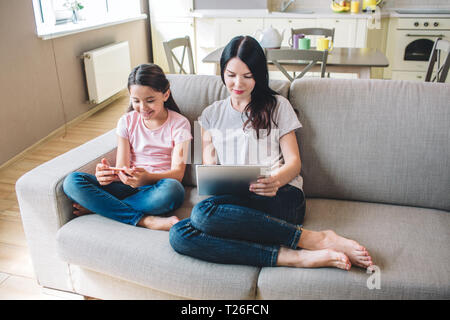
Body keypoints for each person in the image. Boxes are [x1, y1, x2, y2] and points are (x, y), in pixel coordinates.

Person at [169, 36, 373, 270]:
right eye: (231, 75)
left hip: (282, 196)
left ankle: (316, 239)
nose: (238, 84)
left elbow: (294, 162)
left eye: (247, 76)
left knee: (203, 216)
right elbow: (209, 172)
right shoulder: (210, 115)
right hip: (237, 202)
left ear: (259, 74)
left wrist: (275, 180)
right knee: (180, 233)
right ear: (222, 71)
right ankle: (293, 257)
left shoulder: (278, 105)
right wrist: (215, 180)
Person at [63, 63, 192, 231]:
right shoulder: (126, 121)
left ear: (165, 94)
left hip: (157, 187)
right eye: (136, 101)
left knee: (174, 190)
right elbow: (122, 167)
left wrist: (147, 178)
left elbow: (178, 174)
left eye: (150, 100)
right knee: (72, 182)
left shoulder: (180, 124)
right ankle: (145, 221)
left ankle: (99, 207)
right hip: (127, 186)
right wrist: (109, 174)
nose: (143, 108)